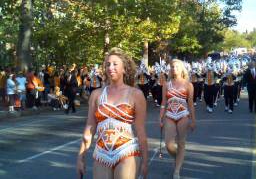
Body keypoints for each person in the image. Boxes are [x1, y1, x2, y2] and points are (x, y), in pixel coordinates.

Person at [77, 47, 148, 179]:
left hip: (127, 151)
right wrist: (80, 158)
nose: (110, 67)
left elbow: (140, 130)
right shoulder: (96, 95)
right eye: (108, 64)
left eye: (115, 64)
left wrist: (145, 161)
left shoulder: (136, 94)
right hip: (101, 153)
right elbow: (90, 129)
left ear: (124, 69)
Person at [160, 59, 196, 179]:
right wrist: (160, 117)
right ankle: (178, 156)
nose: (173, 69)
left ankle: (177, 171)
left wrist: (193, 120)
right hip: (169, 114)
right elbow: (163, 103)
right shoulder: (166, 84)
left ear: (181, 69)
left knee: (181, 143)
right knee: (168, 144)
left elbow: (190, 104)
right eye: (171, 67)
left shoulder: (188, 85)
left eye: (176, 67)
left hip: (183, 115)